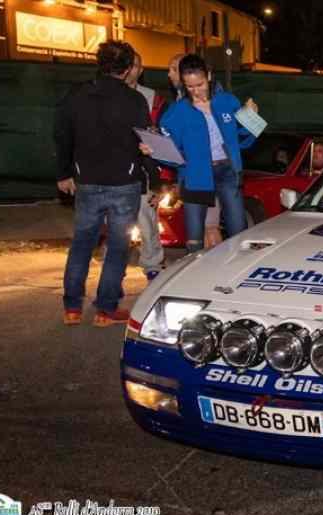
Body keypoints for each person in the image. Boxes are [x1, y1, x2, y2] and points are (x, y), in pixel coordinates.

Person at [54, 40, 152, 327]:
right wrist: (151, 177)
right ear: (126, 70)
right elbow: (145, 140)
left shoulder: (76, 94)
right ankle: (104, 311)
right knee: (118, 247)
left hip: (87, 182)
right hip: (124, 182)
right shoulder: (134, 100)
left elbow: (61, 135)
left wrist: (63, 173)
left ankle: (72, 308)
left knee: (82, 243)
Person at [142, 54, 258, 253]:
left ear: (209, 76)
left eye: (200, 84)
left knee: (239, 230)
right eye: (190, 86)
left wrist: (252, 118)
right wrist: (154, 151)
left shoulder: (228, 101)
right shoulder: (176, 113)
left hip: (228, 171)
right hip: (196, 176)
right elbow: (173, 155)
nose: (196, 91)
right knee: (195, 240)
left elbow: (243, 140)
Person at [125, 51, 165, 281]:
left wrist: (160, 178)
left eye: (137, 65)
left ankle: (153, 266)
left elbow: (158, 137)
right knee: (117, 224)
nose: (133, 69)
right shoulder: (106, 95)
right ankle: (114, 271)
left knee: (147, 221)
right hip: (114, 169)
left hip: (143, 169)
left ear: (141, 70)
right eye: (130, 65)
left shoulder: (152, 98)